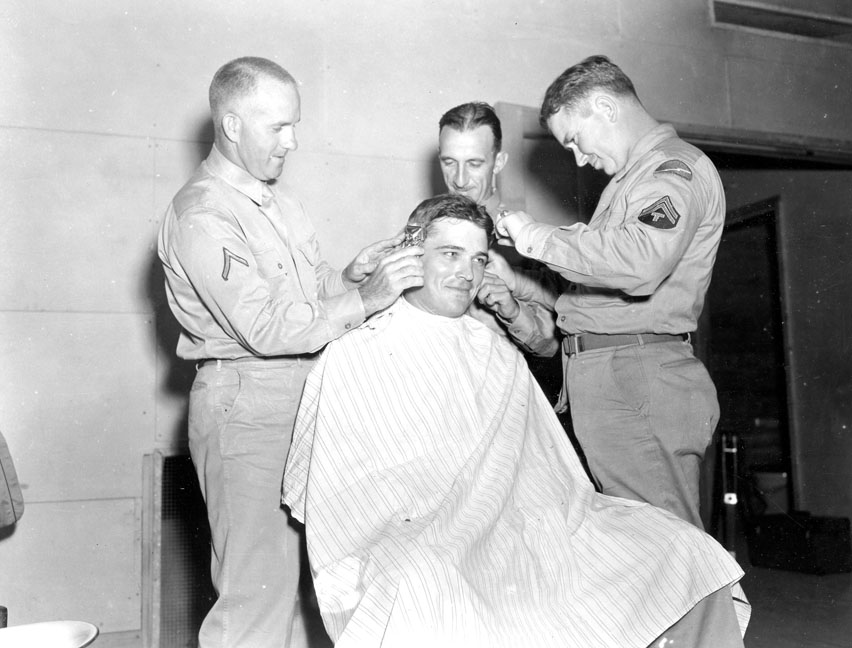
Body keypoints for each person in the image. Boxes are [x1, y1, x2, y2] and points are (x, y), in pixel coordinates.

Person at [283, 194, 749, 648]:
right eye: (449, 254)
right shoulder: (355, 352)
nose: (467, 273)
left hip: (528, 521)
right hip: (411, 535)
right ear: (409, 255)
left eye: (479, 259)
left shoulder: (498, 354)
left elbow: (554, 479)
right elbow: (339, 500)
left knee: (682, 547)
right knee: (427, 585)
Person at [158, 56, 423, 648]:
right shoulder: (203, 213)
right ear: (231, 126)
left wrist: (353, 278)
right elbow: (267, 327)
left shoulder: (277, 203)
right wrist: (369, 300)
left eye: (294, 125)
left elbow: (305, 292)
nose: (292, 141)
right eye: (278, 127)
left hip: (304, 396)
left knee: (316, 583)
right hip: (249, 404)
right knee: (256, 594)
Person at [495, 55, 725, 529]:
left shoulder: (672, 169)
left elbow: (639, 263)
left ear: (605, 105)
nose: (579, 159)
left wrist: (536, 235)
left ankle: (715, 610)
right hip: (614, 374)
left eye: (575, 140)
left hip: (635, 378)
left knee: (667, 553)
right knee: (644, 556)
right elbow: (597, 295)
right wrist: (517, 279)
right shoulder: (631, 182)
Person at [438, 101, 558, 357]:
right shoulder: (424, 229)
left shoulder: (523, 241)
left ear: (499, 161)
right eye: (449, 162)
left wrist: (512, 311)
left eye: (474, 163)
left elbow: (550, 347)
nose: (459, 180)